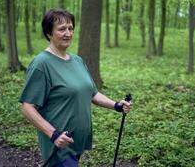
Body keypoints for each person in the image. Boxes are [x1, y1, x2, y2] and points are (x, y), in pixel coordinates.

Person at [19, 9, 132, 167]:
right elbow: (27, 107)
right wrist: (54, 134)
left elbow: (92, 94)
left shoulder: (77, 61)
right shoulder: (41, 64)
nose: (68, 33)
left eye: (70, 28)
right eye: (61, 29)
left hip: (77, 141)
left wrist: (116, 105)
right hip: (59, 146)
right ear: (49, 33)